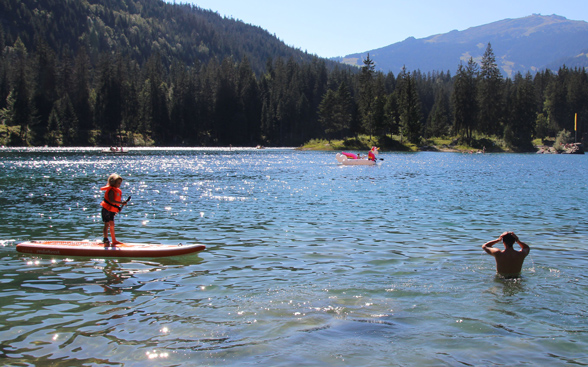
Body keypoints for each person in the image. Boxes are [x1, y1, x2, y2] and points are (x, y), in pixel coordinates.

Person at [100, 173, 128, 247]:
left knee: (112, 225)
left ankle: (113, 240)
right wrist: (121, 202)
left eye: (120, 183)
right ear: (113, 182)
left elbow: (114, 203)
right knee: (107, 224)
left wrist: (118, 207)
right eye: (118, 183)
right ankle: (105, 239)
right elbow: (112, 200)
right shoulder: (111, 191)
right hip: (106, 209)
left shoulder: (117, 190)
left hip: (111, 210)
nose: (119, 184)